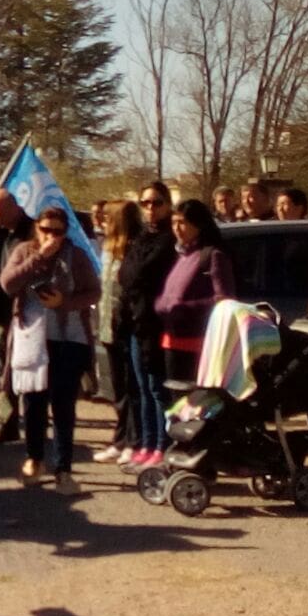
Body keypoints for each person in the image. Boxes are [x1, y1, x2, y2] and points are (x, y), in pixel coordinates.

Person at [0, 207, 101, 496]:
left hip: (68, 338)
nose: (51, 236)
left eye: (57, 231)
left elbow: (94, 291)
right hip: (32, 337)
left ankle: (63, 468)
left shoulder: (76, 255)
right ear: (37, 229)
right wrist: (39, 256)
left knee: (63, 405)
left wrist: (64, 302)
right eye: (46, 229)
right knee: (33, 402)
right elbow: (7, 284)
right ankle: (34, 458)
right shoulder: (23, 251)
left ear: (65, 231)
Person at [118, 182, 178, 471]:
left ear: (167, 204)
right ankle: (145, 442)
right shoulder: (141, 237)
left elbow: (141, 273)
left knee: (157, 389)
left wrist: (134, 275)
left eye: (156, 202)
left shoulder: (169, 240)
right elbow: (125, 274)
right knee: (141, 388)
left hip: (156, 324)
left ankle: (162, 445)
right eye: (145, 203)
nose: (151, 209)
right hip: (135, 323)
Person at [154, 200, 235, 383]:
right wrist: (162, 304)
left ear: (198, 224)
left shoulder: (213, 256)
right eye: (174, 223)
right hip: (171, 340)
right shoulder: (182, 255)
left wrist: (184, 308)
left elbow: (225, 300)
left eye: (182, 222)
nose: (177, 228)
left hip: (197, 345)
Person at [91, 201, 143, 464]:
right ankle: (119, 438)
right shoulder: (107, 249)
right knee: (117, 389)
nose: (102, 221)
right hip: (107, 326)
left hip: (126, 327)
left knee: (133, 389)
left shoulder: (133, 249)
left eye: (108, 218)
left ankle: (134, 441)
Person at [0, 189, 35, 444]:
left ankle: (35, 424)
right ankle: (8, 424)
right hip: (1, 311)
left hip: (26, 312)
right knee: (7, 371)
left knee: (29, 370)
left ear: (13, 207)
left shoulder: (32, 232)